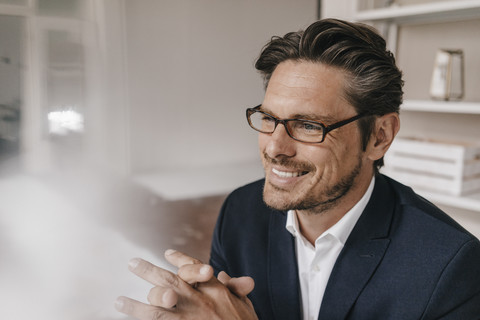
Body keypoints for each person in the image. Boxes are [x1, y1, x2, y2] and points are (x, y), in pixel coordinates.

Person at [115, 18, 480, 319]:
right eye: (270, 118)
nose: (275, 147)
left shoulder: (451, 268)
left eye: (308, 125)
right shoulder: (240, 212)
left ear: (379, 137)